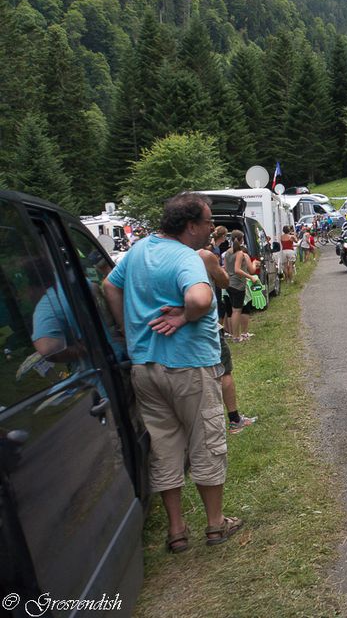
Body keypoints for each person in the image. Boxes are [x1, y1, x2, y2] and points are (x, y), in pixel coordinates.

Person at [102, 193, 243, 554]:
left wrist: (128, 331)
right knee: (206, 441)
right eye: (208, 222)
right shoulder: (186, 258)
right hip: (189, 366)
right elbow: (198, 299)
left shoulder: (137, 251)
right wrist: (184, 316)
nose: (212, 229)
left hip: (145, 368)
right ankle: (214, 525)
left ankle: (177, 530)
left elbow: (109, 286)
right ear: (191, 226)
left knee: (164, 446)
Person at [198, 246, 258, 435]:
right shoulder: (203, 255)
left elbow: (111, 283)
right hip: (205, 326)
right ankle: (234, 420)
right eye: (206, 223)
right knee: (224, 371)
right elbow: (223, 281)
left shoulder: (146, 253)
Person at [223, 230, 258, 342]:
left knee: (233, 310)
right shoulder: (240, 254)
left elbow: (225, 267)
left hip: (229, 283)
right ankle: (236, 336)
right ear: (242, 239)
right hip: (238, 284)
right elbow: (237, 270)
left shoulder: (227, 252)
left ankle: (235, 335)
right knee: (237, 311)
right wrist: (251, 276)